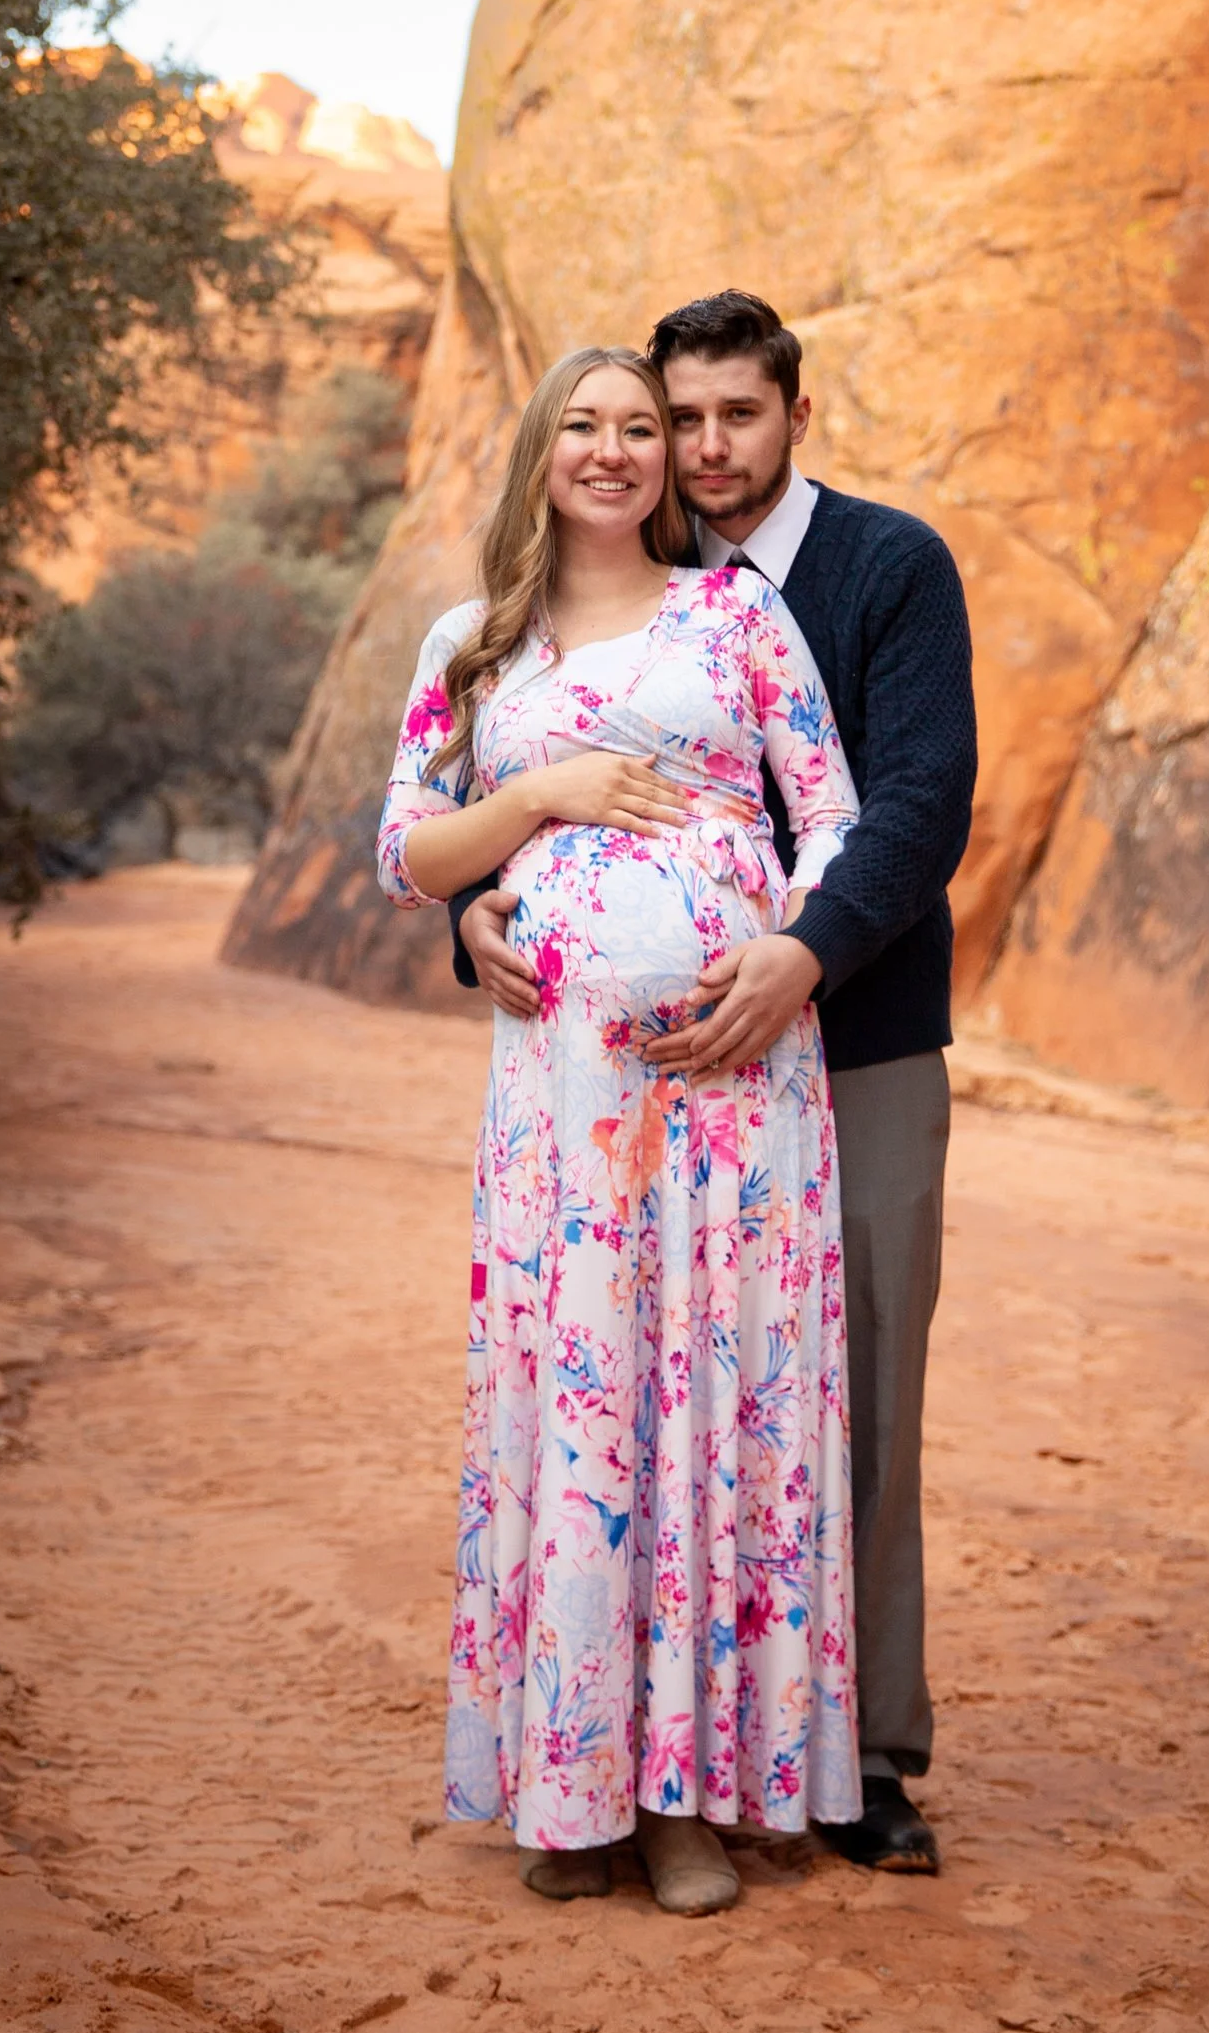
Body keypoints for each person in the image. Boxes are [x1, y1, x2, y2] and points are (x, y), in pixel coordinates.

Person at [458, 292, 975, 1878]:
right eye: (674, 419)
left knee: (844, 1395)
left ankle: (863, 1757)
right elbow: (509, 804)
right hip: (617, 1077)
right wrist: (479, 922)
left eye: (731, 416)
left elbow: (914, 799)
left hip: (848, 1038)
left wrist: (798, 956)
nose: (700, 448)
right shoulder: (599, 600)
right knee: (622, 1403)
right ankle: (608, 1755)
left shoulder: (882, 567)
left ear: (793, 412)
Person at [377, 343, 863, 1918]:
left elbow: (835, 811)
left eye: (639, 427)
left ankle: (685, 1803)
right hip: (561, 1120)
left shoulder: (736, 614)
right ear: (541, 448)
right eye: (583, 423)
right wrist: (539, 803)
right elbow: (408, 852)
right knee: (583, 1414)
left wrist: (779, 956)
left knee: (707, 1402)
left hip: (733, 1091)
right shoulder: (473, 644)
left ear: (670, 458)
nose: (613, 448)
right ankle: (569, 1784)